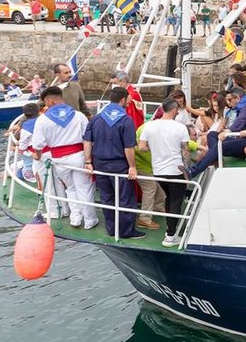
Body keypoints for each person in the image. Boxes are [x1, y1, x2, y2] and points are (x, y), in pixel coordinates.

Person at [31, 86, 98, 229]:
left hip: (59, 159)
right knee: (84, 188)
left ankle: (76, 218)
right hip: (79, 156)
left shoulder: (42, 120)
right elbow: (88, 138)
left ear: (49, 101)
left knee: (71, 188)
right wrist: (88, 159)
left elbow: (38, 144)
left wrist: (37, 156)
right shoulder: (79, 115)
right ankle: (90, 220)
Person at [83, 87, 143, 240]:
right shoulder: (125, 120)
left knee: (107, 197)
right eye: (128, 99)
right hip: (119, 165)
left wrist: (88, 161)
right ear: (123, 99)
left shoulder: (96, 118)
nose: (130, 101)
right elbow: (128, 147)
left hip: (100, 164)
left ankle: (111, 228)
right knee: (125, 198)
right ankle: (126, 231)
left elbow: (87, 141)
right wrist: (132, 166)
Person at [137, 99, 190, 247]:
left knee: (168, 198)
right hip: (176, 170)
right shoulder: (180, 128)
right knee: (175, 202)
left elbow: (141, 147)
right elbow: (185, 150)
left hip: (158, 170)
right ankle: (170, 236)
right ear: (174, 110)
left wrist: (153, 150)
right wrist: (187, 169)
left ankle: (170, 229)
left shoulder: (149, 126)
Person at [187, 87, 246, 178]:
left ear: (237, 98)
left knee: (218, 146)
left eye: (230, 100)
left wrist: (228, 132)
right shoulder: (243, 106)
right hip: (239, 138)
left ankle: (193, 171)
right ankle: (216, 158)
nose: (228, 102)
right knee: (212, 135)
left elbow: (241, 121)